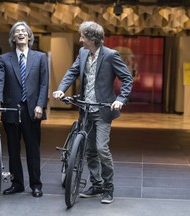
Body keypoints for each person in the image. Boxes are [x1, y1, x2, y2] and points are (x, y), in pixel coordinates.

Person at [53, 21, 133, 204]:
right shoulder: (82, 53)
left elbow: (127, 79)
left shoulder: (111, 55)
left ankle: (108, 187)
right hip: (85, 109)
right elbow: (72, 72)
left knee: (101, 148)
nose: (80, 39)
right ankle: (96, 184)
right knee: (90, 150)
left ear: (92, 39)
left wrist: (120, 100)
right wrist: (61, 89)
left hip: (103, 109)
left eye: (82, 36)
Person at [0, 21, 49, 198]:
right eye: (17, 32)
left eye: (24, 31)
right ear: (13, 38)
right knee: (13, 149)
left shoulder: (40, 58)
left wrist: (40, 104)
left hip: (32, 111)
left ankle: (36, 185)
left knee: (33, 149)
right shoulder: (4, 59)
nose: (21, 33)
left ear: (29, 36)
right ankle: (17, 184)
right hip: (10, 109)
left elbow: (44, 84)